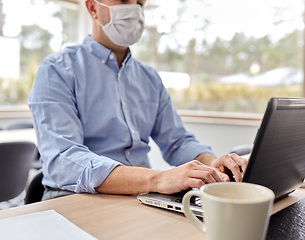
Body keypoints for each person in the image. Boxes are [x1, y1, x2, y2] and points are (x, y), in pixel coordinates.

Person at [28, 0, 248, 200]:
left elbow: (177, 141)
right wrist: (157, 179)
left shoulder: (149, 78)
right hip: (76, 198)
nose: (134, 9)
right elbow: (64, 160)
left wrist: (210, 163)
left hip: (142, 197)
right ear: (92, 8)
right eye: (124, 0)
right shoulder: (56, 70)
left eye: (140, 3)